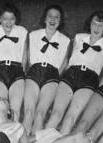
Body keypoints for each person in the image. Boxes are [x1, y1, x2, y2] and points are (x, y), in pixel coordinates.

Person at [45, 11, 103, 133]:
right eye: (94, 24)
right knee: (56, 114)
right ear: (90, 24)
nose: (96, 28)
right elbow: (68, 59)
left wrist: (98, 91)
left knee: (70, 118)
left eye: (101, 25)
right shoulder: (78, 37)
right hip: (71, 74)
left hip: (89, 80)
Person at [22, 5, 70, 135]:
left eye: (57, 17)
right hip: (35, 71)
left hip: (52, 75)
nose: (53, 19)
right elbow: (28, 57)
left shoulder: (65, 40)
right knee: (28, 112)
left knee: (40, 113)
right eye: (50, 16)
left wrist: (55, 77)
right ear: (45, 18)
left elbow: (64, 63)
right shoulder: (33, 35)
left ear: (60, 21)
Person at [0, 4, 28, 121]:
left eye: (12, 19)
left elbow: (25, 52)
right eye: (5, 18)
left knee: (15, 110)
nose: (9, 22)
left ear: (16, 19)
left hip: (16, 70)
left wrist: (23, 69)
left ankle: (14, 138)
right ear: (0, 19)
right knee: (0, 108)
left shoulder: (22, 31)